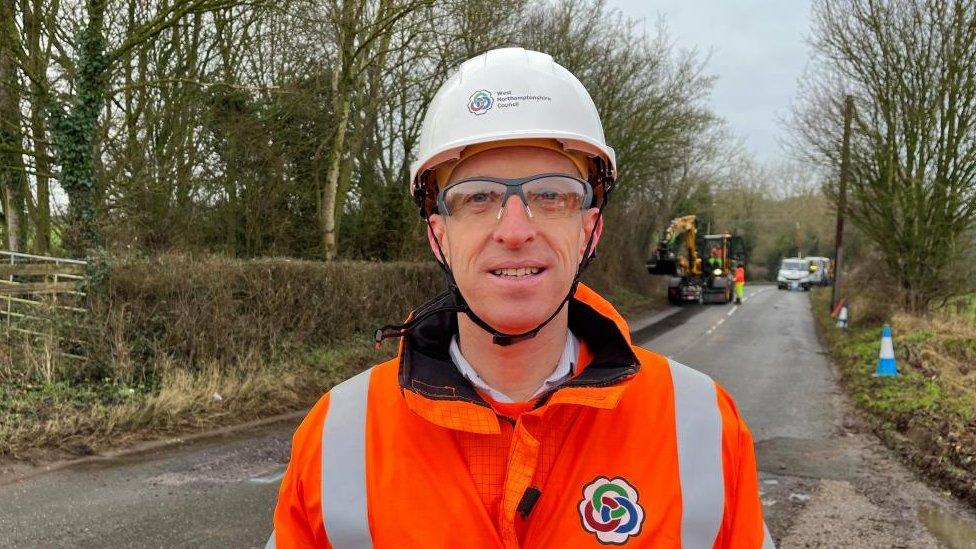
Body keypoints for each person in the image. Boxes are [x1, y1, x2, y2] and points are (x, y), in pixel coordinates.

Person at [266, 47, 773, 549]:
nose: (513, 230)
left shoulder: (702, 425)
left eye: (551, 195)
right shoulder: (337, 437)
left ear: (590, 230)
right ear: (438, 233)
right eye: (479, 197)